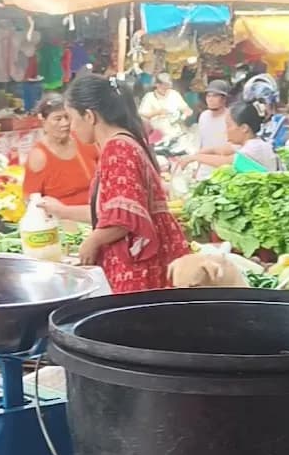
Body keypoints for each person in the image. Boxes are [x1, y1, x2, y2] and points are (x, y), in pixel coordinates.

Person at [44, 75, 186, 293]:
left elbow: (123, 218)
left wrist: (91, 242)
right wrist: (61, 211)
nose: (71, 127)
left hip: (138, 265)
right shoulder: (125, 142)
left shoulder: (118, 148)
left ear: (89, 116)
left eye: (71, 118)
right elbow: (111, 211)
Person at [23, 94, 97, 207]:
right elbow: (30, 198)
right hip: (63, 219)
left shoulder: (83, 139)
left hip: (97, 211)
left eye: (67, 117)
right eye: (58, 119)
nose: (65, 123)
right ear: (43, 120)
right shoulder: (39, 156)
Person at [183, 100, 277, 173]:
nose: (226, 131)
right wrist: (205, 151)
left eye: (229, 126)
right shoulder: (254, 143)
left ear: (244, 128)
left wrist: (194, 158)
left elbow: (225, 162)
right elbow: (224, 150)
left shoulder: (254, 148)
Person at [138, 73, 191, 146]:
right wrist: (157, 112)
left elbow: (186, 108)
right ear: (157, 85)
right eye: (164, 86)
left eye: (168, 86)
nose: (166, 89)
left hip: (175, 133)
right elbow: (142, 115)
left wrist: (186, 112)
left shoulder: (174, 94)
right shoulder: (149, 97)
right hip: (157, 134)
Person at [241, 72, 289, 151]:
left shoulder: (282, 124)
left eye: (262, 101)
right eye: (253, 102)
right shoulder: (246, 125)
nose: (258, 106)